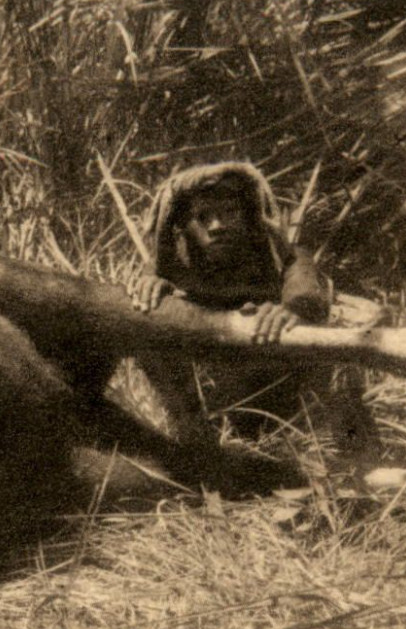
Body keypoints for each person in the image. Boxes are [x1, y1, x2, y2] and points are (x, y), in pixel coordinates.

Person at [132, 162, 381, 473]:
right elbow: (151, 279)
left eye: (229, 213)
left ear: (248, 218)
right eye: (203, 217)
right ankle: (194, 441)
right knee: (144, 325)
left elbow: (302, 280)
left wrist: (291, 311)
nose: (216, 225)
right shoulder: (174, 258)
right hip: (215, 387)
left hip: (278, 381)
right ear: (182, 225)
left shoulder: (274, 251)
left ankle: (359, 463)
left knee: (338, 363)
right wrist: (155, 288)